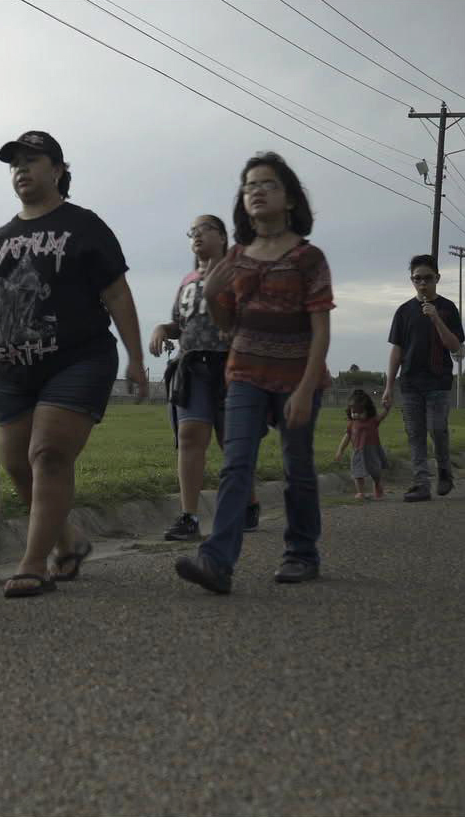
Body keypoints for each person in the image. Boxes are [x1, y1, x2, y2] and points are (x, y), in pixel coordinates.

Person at [0, 130, 148, 598]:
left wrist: (136, 357)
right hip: (14, 371)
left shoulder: (84, 226)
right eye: (14, 164)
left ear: (59, 170)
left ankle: (33, 563)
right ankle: (68, 543)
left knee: (47, 454)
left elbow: (116, 293)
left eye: (32, 160)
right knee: (17, 465)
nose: (21, 169)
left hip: (79, 359)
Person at [174, 151, 333, 595]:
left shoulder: (308, 258)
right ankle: (216, 561)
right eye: (249, 186)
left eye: (268, 184)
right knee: (235, 463)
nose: (257, 192)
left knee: (295, 466)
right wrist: (213, 288)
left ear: (289, 198)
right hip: (244, 373)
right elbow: (228, 321)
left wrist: (305, 387)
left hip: (296, 378)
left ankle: (302, 553)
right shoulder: (237, 258)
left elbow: (321, 329)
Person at [148, 214, 260, 541]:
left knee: (231, 442)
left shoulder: (239, 274)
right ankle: (189, 516)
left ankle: (249, 504)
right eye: (192, 232)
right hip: (192, 367)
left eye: (205, 230)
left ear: (223, 237)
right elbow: (178, 324)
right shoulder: (187, 281)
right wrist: (160, 329)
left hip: (230, 366)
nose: (197, 236)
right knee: (190, 436)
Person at [382, 254, 465, 502]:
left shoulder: (448, 308)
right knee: (415, 433)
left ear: (437, 278)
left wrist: (436, 317)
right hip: (410, 383)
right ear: (412, 280)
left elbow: (454, 346)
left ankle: (444, 471)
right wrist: (389, 386)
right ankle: (420, 483)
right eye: (417, 279)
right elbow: (396, 351)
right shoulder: (404, 311)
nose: (422, 283)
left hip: (438, 381)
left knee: (437, 429)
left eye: (427, 278)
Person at [332, 389, 391, 500]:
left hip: (372, 451)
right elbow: (347, 437)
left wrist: (386, 409)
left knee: (376, 472)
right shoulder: (351, 424)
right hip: (357, 452)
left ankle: (378, 486)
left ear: (368, 411)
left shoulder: (373, 421)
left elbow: (382, 416)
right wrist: (340, 450)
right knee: (357, 473)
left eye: (360, 412)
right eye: (354, 412)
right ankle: (360, 492)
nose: (356, 415)